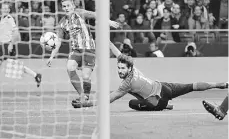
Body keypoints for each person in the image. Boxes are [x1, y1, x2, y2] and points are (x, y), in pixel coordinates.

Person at [72, 42, 228, 111]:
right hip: (164, 86)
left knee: (132, 103)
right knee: (191, 86)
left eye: (122, 68)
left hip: (157, 101)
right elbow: (116, 52)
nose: (119, 70)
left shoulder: (127, 84)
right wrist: (106, 40)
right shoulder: (132, 66)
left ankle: (165, 105)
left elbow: (109, 99)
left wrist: (85, 104)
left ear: (128, 68)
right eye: (118, 68)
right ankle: (218, 84)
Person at [47, 0, 119, 102]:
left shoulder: (80, 13)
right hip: (75, 50)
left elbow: (95, 14)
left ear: (73, 6)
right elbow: (58, 41)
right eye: (64, 6)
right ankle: (82, 95)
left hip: (88, 48)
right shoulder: (62, 23)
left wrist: (109, 21)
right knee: (69, 67)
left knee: (85, 76)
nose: (66, 8)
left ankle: (86, 96)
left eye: (68, 5)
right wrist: (51, 56)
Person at [0, 2, 42, 91]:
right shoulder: (2, 18)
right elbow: (5, 32)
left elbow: (15, 32)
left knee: (16, 66)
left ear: (9, 10)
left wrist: (11, 44)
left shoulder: (9, 18)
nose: (4, 10)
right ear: (1, 9)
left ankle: (36, 75)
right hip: (1, 45)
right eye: (3, 8)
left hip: (7, 45)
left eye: (6, 8)